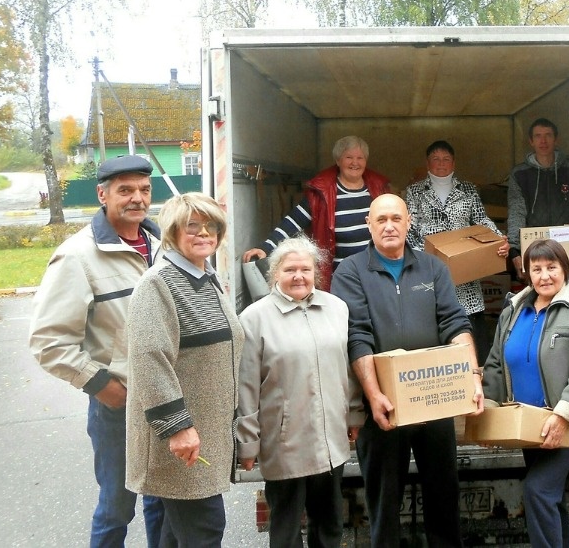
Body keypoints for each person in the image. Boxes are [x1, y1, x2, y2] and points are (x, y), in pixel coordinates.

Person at [331, 194, 484, 548]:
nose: (389, 226)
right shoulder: (351, 271)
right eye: (381, 219)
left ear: (409, 222)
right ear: (368, 223)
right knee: (384, 502)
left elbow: (454, 323)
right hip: (383, 407)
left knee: (444, 495)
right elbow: (358, 336)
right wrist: (374, 396)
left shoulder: (433, 268)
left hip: (434, 400)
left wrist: (472, 377)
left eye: (396, 218)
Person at [28, 154, 164, 547]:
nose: (137, 198)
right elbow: (49, 342)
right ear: (103, 195)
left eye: (143, 189)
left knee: (162, 499)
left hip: (163, 399)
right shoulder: (78, 256)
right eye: (125, 190)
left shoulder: (159, 245)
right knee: (117, 508)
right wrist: (103, 386)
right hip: (117, 407)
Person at [125, 192, 244, 547]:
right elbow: (149, 359)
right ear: (172, 232)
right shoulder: (158, 283)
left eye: (212, 226)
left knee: (175, 536)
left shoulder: (206, 278)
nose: (204, 233)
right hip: (181, 439)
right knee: (204, 530)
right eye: (192, 226)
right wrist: (178, 428)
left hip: (203, 432)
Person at [481, 238, 569, 548]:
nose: (544, 276)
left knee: (538, 491)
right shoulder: (514, 309)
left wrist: (564, 415)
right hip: (529, 425)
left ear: (564, 269)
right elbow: (496, 364)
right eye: (536, 268)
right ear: (526, 272)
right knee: (551, 500)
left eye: (552, 267)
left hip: (565, 424)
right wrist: (488, 412)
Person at [237, 236, 361, 548]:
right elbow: (246, 386)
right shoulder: (254, 318)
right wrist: (248, 443)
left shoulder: (337, 309)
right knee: (286, 529)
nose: (298, 276)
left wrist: (354, 413)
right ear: (274, 274)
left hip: (329, 438)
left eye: (305, 269)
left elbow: (349, 368)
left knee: (330, 525)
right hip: (284, 442)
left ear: (316, 273)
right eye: (289, 269)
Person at [405, 139, 510, 363]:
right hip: (428, 269)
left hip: (465, 271)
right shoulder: (414, 191)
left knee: (470, 328)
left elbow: (481, 220)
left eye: (446, 159)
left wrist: (497, 240)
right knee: (433, 328)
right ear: (427, 163)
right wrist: (423, 257)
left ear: (453, 162)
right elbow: (409, 228)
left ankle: (475, 378)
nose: (441, 163)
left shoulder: (469, 189)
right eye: (435, 159)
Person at [242, 135, 390, 291]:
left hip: (375, 273)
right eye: (349, 157)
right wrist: (266, 247)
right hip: (340, 277)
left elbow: (395, 224)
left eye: (360, 158)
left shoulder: (379, 188)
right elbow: (293, 222)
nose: (355, 163)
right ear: (338, 160)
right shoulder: (321, 192)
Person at [506, 118, 569, 286]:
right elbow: (516, 212)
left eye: (548, 135)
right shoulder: (520, 174)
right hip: (536, 250)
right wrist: (515, 251)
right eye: (538, 136)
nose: (543, 141)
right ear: (531, 141)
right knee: (541, 304)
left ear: (556, 139)